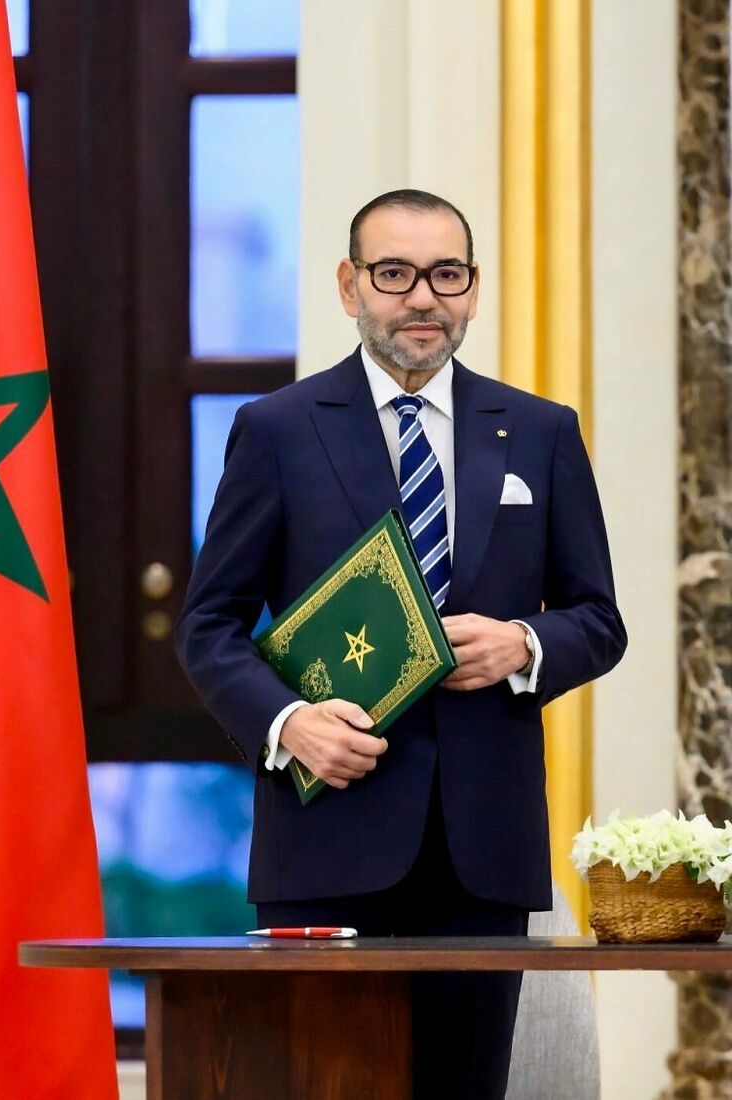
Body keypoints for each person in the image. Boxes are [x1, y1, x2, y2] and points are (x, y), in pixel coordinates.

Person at [175, 189, 626, 1099]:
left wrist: (523, 645)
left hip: (483, 855)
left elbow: (598, 620)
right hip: (324, 845)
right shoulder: (277, 430)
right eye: (394, 274)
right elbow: (209, 626)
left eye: (446, 274)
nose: (423, 297)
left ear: (472, 287)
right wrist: (288, 722)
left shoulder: (540, 432)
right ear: (351, 286)